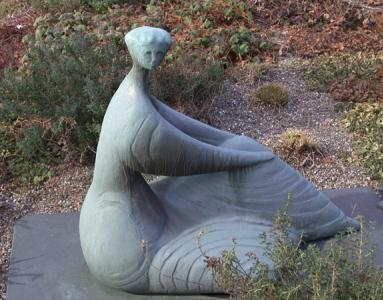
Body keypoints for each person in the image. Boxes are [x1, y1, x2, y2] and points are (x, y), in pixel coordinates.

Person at [79, 26, 359, 294]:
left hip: (125, 215)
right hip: (127, 247)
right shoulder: (133, 115)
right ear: (132, 51)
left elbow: (184, 128)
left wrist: (236, 147)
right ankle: (322, 221)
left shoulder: (133, 93)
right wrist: (238, 157)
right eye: (148, 53)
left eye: (159, 54)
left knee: (244, 149)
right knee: (258, 265)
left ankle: (324, 220)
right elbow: (181, 154)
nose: (154, 59)